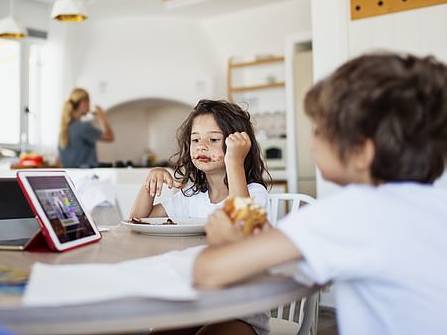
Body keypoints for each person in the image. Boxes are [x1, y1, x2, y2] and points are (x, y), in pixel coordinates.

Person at [194, 52, 447, 335]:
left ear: (362, 152)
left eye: (319, 130)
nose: (310, 142)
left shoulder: (352, 211)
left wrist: (227, 240)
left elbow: (208, 271)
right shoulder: (435, 206)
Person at [130, 99, 270, 335]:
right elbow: (137, 221)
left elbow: (245, 229)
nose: (201, 146)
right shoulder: (190, 196)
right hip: (195, 303)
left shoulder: (253, 192)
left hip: (240, 310)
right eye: (195, 140)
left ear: (238, 145)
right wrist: (149, 183)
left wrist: (233, 161)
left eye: (214, 139)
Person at [58, 88, 114, 168]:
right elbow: (110, 137)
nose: (89, 106)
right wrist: (101, 116)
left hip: (72, 175)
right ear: (83, 103)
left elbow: (60, 161)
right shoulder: (84, 127)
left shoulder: (64, 129)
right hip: (85, 175)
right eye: (88, 102)